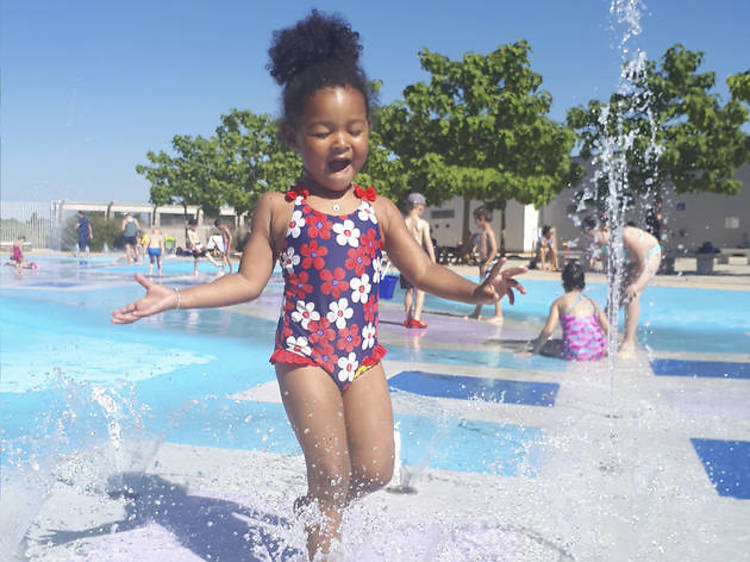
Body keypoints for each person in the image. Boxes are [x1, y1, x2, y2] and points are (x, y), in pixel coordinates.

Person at [112, 11, 527, 560]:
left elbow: (422, 272)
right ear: (292, 136)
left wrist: (480, 290)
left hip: (364, 354)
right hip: (304, 353)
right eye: (323, 130)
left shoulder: (378, 210)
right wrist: (178, 296)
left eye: (355, 129)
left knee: (375, 473)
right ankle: (321, 531)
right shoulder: (278, 208)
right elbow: (246, 280)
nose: (341, 142)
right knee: (331, 473)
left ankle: (314, 509)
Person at [583, 216, 662, 359]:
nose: (593, 242)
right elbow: (609, 269)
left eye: (594, 237)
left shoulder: (626, 236)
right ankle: (603, 335)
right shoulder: (601, 244)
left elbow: (643, 265)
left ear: (605, 230)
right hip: (630, 259)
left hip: (649, 256)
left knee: (632, 294)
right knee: (614, 298)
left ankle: (629, 343)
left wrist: (636, 285)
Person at [518, 261, 608, 360]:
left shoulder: (559, 303)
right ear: (583, 284)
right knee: (558, 342)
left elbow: (548, 330)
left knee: (546, 345)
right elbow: (607, 328)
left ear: (564, 284)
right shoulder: (591, 302)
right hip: (598, 350)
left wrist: (535, 350)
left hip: (575, 353)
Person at [400, 192, 436, 328]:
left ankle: (408, 318)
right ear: (420, 208)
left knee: (408, 290)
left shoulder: (403, 223)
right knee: (421, 289)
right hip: (419, 258)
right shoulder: (423, 224)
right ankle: (416, 317)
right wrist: (433, 260)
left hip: (405, 259)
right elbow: (428, 242)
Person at [465, 206, 504, 324]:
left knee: (493, 288)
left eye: (475, 219)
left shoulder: (489, 232)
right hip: (484, 264)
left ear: (481, 218)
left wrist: (486, 263)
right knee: (482, 288)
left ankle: (499, 315)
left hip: (489, 264)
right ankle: (477, 312)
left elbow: (494, 250)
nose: (475, 222)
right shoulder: (483, 233)